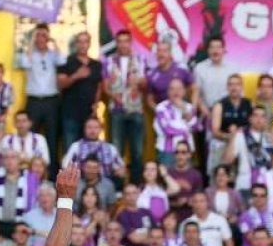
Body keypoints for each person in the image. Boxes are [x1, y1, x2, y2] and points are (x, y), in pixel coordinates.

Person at [102, 29, 147, 182]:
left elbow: (146, 85)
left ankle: (136, 185)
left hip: (136, 109)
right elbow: (105, 86)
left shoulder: (141, 60)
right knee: (117, 150)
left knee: (137, 151)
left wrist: (140, 82)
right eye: (119, 41)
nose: (122, 45)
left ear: (130, 42)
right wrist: (112, 95)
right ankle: (118, 188)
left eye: (125, 41)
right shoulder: (109, 61)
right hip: (117, 110)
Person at [16, 24, 65, 155]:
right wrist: (32, 41)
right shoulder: (30, 54)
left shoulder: (53, 55)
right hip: (34, 101)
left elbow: (62, 61)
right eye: (38, 35)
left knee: (52, 136)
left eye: (44, 35)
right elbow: (25, 62)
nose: (41, 38)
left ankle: (52, 171)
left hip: (51, 101)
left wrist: (53, 41)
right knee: (31, 137)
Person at [56, 32, 102, 152]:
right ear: (76, 44)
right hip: (70, 112)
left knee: (90, 149)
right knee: (71, 149)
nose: (82, 45)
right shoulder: (66, 62)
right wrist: (76, 76)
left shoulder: (96, 64)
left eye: (85, 41)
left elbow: (99, 86)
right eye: (80, 42)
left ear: (89, 44)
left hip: (89, 114)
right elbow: (60, 84)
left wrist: (96, 104)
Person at [209, 73, 252, 179]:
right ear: (227, 87)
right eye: (231, 85)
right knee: (219, 176)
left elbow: (253, 126)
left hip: (244, 145)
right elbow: (215, 131)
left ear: (242, 87)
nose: (234, 87)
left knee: (241, 177)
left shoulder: (249, 104)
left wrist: (239, 137)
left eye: (237, 84)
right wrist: (232, 136)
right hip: (223, 144)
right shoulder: (219, 105)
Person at [223, 106, 273, 193]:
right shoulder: (241, 135)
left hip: (266, 184)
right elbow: (227, 160)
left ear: (266, 120)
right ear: (250, 119)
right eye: (256, 116)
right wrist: (233, 137)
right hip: (245, 183)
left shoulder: (269, 137)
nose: (259, 119)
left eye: (262, 116)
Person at [152, 78, 197, 168]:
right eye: (172, 89)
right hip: (167, 151)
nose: (176, 92)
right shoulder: (161, 108)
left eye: (179, 89)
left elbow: (196, 127)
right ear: (168, 92)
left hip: (186, 151)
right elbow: (168, 130)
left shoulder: (189, 107)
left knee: (185, 180)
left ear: (184, 91)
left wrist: (183, 109)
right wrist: (185, 130)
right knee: (167, 179)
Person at [145, 40, 192, 112]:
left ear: (170, 54)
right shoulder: (151, 74)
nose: (161, 54)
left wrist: (192, 109)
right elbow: (149, 99)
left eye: (164, 51)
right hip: (164, 113)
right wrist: (159, 110)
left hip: (183, 110)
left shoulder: (181, 68)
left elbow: (195, 89)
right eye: (159, 51)